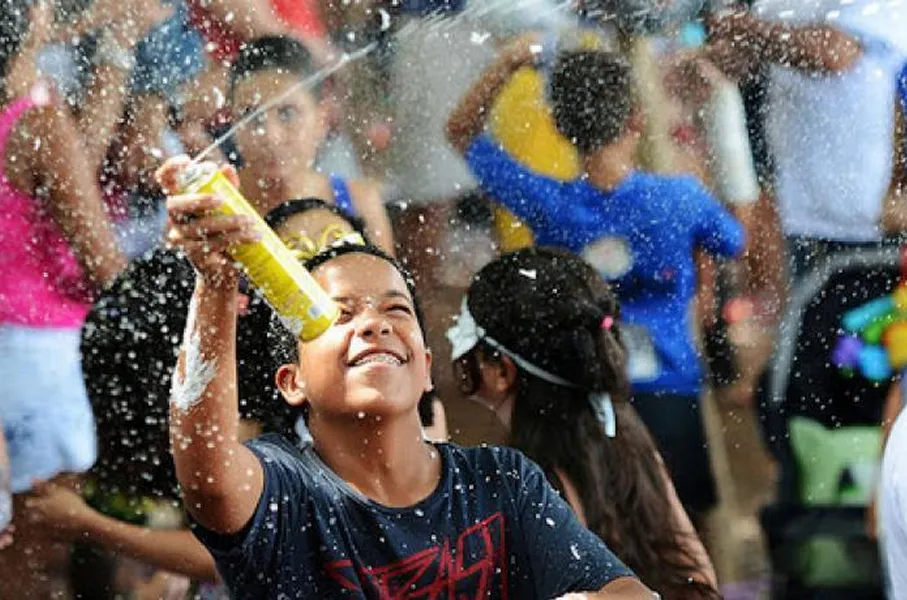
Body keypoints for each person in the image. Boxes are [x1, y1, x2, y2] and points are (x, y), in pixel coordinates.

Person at [155, 157, 652, 599]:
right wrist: (216, 282)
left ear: (425, 361)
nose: (374, 324)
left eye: (395, 309)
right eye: (339, 315)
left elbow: (628, 592)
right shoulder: (286, 493)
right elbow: (208, 472)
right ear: (291, 382)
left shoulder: (502, 483)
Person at [447, 40, 745, 526]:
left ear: (560, 127)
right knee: (687, 529)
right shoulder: (679, 199)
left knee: (599, 532)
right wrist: (715, 127)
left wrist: (506, 64)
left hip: (584, 396)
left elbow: (461, 132)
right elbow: (735, 239)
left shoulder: (549, 204)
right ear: (635, 121)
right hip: (670, 390)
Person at [449, 247, 719, 598]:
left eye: (462, 330)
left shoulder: (522, 490)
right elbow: (698, 576)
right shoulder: (622, 428)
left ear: (501, 369)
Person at [703, 1, 907, 277]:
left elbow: (832, 53)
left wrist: (739, 25)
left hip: (862, 219)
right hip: (794, 207)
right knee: (800, 315)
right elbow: (754, 52)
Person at [226, 35, 394, 253]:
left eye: (287, 114)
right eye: (251, 117)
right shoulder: (216, 204)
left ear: (322, 120)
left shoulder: (360, 203)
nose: (270, 136)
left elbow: (388, 286)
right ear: (232, 123)